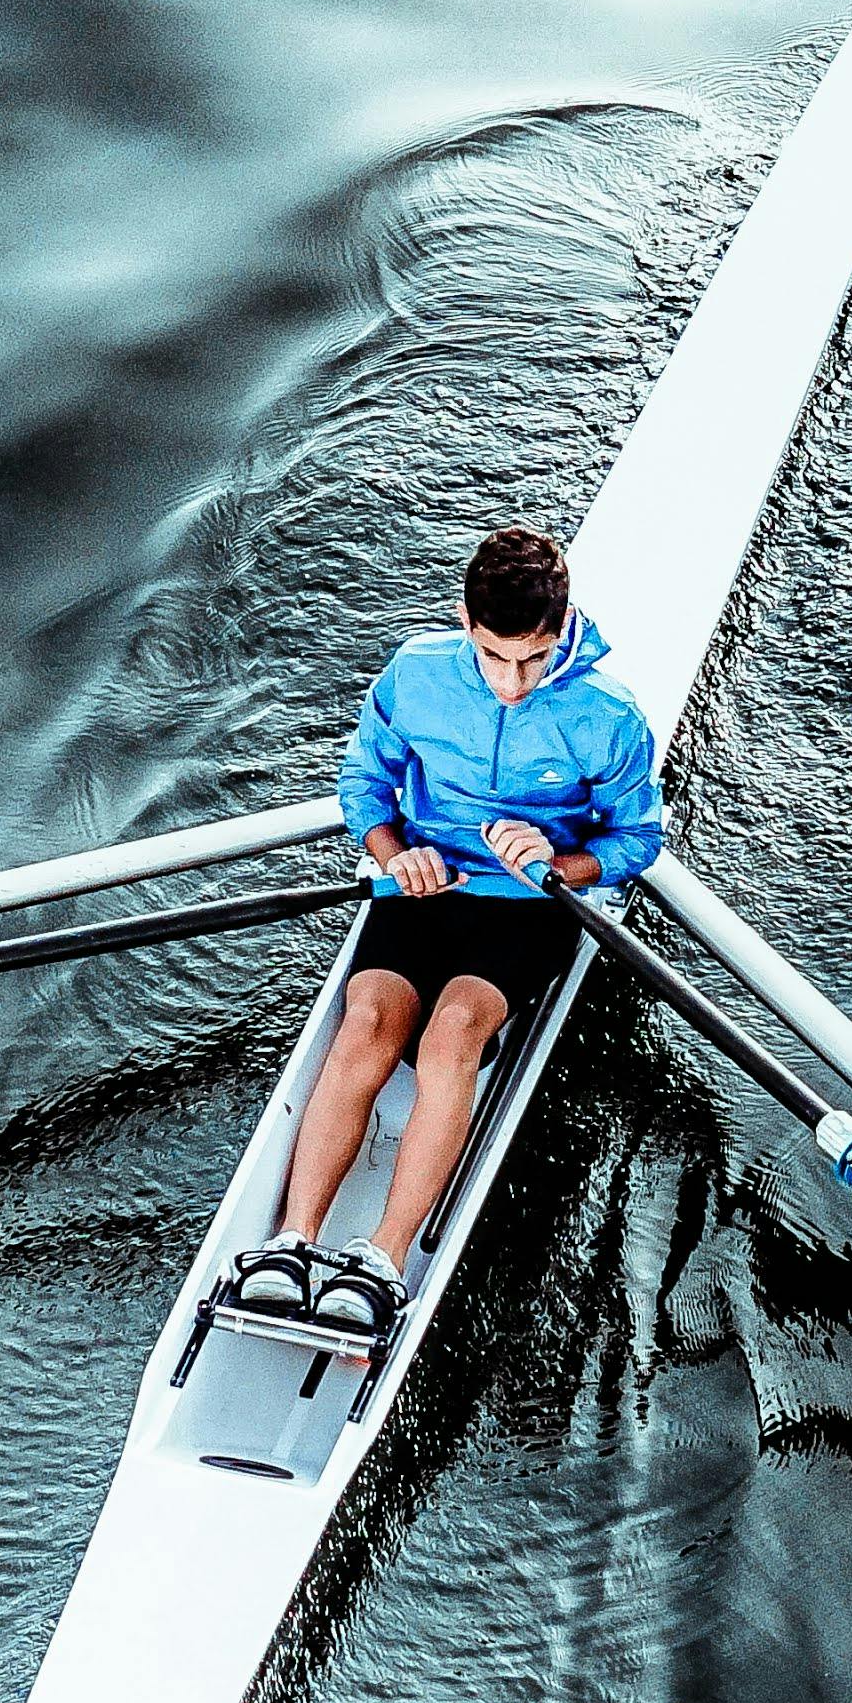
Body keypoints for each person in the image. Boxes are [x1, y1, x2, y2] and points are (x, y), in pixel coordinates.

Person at [227, 525, 663, 1335]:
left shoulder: (609, 717)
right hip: (421, 884)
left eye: (534, 660)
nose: (511, 682)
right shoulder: (414, 675)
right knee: (366, 1023)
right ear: (467, 621)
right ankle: (292, 1241)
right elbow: (362, 783)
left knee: (452, 1035)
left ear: (564, 629)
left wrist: (562, 863)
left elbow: (638, 840)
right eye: (495, 657)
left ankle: (383, 1260)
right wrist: (394, 851)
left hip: (527, 903)